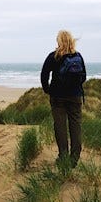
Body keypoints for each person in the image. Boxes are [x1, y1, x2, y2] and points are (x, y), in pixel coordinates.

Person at [41, 30, 86, 168]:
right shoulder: (78, 56)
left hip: (57, 97)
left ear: (59, 41)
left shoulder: (53, 56)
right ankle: (74, 159)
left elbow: (44, 75)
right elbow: (83, 77)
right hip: (75, 97)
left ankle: (63, 157)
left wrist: (47, 89)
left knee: (60, 127)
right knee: (76, 126)